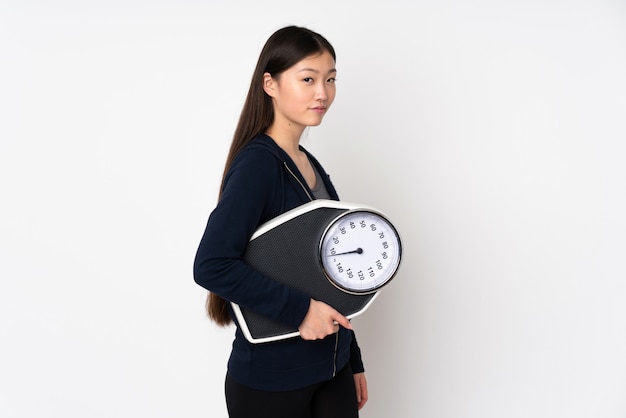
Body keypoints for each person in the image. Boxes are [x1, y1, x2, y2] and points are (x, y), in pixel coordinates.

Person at [193, 25, 368, 418]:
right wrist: (301, 311)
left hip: (331, 369)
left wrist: (351, 359)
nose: (322, 93)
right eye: (307, 79)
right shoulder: (258, 164)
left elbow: (330, 273)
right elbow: (212, 264)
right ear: (269, 84)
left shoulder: (309, 163)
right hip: (271, 382)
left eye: (330, 79)